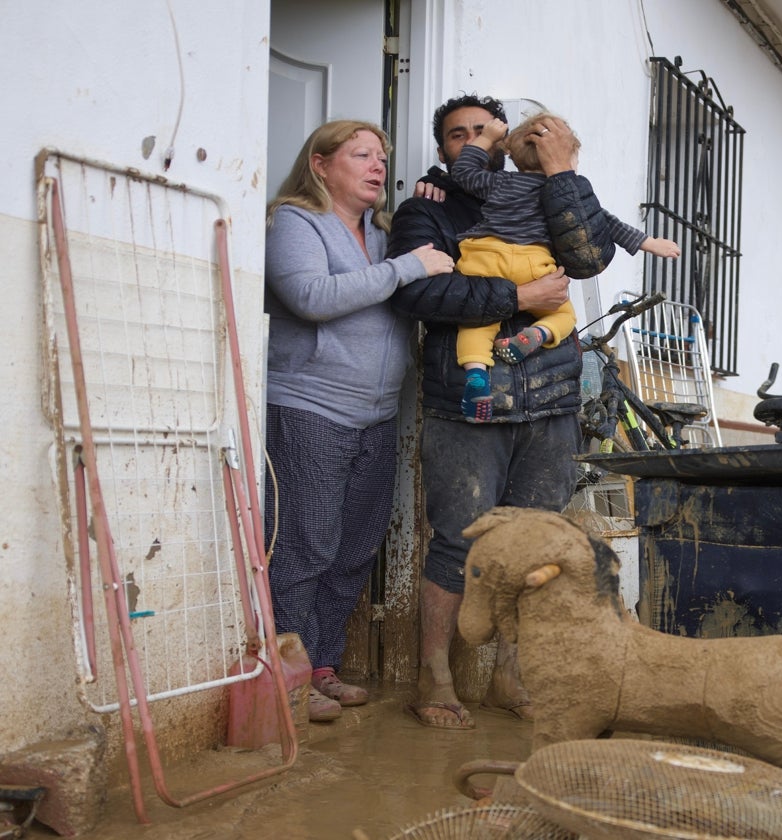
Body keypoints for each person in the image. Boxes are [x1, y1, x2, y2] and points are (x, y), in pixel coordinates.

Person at [386, 95, 616, 729]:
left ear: (504, 138)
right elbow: (420, 292)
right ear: (444, 152)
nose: (470, 141)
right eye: (457, 135)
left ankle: (510, 673)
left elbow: (591, 257)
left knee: (531, 548)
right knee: (458, 546)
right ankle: (436, 674)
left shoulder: (547, 196)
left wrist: (563, 171)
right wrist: (518, 294)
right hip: (468, 404)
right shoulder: (425, 211)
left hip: (551, 403)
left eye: (481, 130)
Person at [263, 120, 457, 723]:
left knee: (353, 549)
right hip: (309, 407)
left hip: (377, 417)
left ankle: (321, 663)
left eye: (382, 157)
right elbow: (311, 296)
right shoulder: (293, 221)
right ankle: (288, 676)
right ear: (321, 164)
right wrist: (410, 269)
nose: (377, 166)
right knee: (305, 545)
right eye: (361, 155)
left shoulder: (383, 234)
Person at [451, 112, 679, 421]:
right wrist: (649, 242)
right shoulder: (556, 192)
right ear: (561, 156)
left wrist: (488, 137)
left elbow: (463, 172)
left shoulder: (500, 181)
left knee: (477, 323)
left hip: (485, 255)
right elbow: (603, 221)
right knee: (562, 314)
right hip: (534, 261)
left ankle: (476, 373)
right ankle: (539, 333)